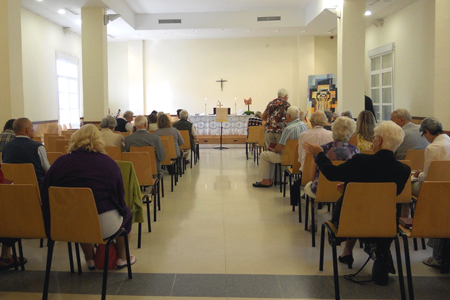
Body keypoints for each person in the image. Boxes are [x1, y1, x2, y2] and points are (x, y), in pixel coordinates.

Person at [303, 121, 410, 286]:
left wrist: (320, 154)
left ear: (380, 140)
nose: (373, 142)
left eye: (374, 139)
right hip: (385, 224)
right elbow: (383, 193)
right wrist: (351, 186)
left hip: (350, 220)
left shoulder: (360, 161)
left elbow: (332, 174)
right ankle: (381, 254)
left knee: (352, 208)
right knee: (379, 214)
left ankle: (354, 253)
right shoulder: (404, 170)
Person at [40, 124, 136, 270]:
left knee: (80, 213)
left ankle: (90, 258)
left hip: (66, 223)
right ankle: (123, 258)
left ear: (74, 140)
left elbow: (45, 191)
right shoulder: (109, 163)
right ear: (99, 141)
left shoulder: (60, 163)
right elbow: (119, 196)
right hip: (104, 225)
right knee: (126, 213)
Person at [304, 117, 359, 230]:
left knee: (308, 187)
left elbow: (312, 176)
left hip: (321, 190)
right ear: (352, 133)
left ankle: (313, 222)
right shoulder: (355, 151)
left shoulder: (321, 149)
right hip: (346, 191)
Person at [253, 106, 307, 188]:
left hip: (287, 157)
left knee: (264, 155)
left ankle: (266, 181)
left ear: (288, 116)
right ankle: (270, 179)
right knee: (269, 155)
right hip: (300, 157)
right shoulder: (304, 125)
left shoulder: (288, 129)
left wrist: (274, 150)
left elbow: (280, 147)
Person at [2, 118, 50, 186]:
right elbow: (48, 170)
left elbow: (5, 168)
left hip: (13, 189)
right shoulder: (38, 147)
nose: (33, 130)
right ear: (27, 130)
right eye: (32, 127)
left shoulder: (6, 147)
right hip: (36, 189)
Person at [411, 117, 450, 196]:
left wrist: (419, 174)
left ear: (427, 132)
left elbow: (426, 177)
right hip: (447, 186)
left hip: (434, 188)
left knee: (407, 185)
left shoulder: (432, 148)